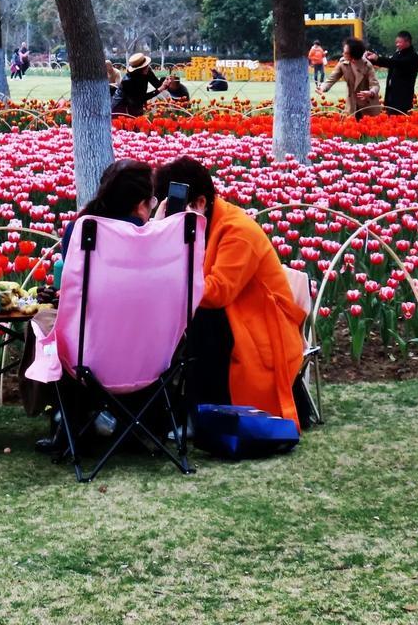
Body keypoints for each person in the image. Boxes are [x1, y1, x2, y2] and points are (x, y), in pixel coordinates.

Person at [153, 158, 305, 425]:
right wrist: (158, 230)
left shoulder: (237, 232)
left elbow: (217, 292)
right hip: (230, 316)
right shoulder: (198, 224)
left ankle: (199, 415)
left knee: (201, 321)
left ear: (200, 203)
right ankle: (163, 412)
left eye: (175, 209)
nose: (171, 218)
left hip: (261, 326)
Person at [31, 159, 157, 452]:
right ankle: (136, 424)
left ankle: (67, 421)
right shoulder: (158, 237)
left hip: (89, 355)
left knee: (45, 322)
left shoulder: (80, 229)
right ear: (140, 204)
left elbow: (73, 293)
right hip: (149, 356)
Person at [317, 39, 381, 118]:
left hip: (368, 105)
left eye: (346, 53)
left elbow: (375, 85)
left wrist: (371, 92)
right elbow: (331, 79)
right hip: (352, 105)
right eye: (343, 51)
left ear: (353, 54)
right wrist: (322, 87)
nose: (343, 54)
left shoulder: (367, 65)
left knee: (368, 128)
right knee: (351, 127)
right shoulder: (343, 63)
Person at [366, 30, 418, 114]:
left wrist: (378, 58)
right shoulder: (397, 54)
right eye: (396, 42)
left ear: (407, 42)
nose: (397, 45)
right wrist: (371, 59)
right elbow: (388, 63)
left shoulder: (413, 57)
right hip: (391, 94)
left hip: (403, 96)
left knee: (400, 120)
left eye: (399, 42)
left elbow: (396, 63)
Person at [111, 52, 169, 116]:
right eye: (145, 66)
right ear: (138, 69)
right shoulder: (128, 81)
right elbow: (140, 98)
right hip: (121, 106)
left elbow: (158, 85)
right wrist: (160, 89)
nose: (148, 67)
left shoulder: (147, 71)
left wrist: (165, 81)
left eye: (147, 65)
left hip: (135, 105)